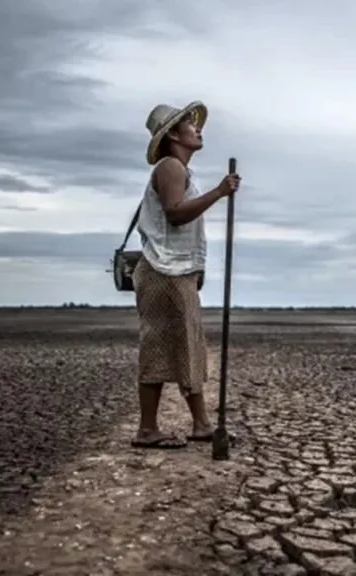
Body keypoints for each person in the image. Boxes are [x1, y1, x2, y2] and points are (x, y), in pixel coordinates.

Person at [130, 100, 241, 449]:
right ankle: (148, 429)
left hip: (176, 270)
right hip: (164, 270)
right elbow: (176, 214)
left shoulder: (179, 170)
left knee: (187, 346)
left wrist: (196, 269)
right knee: (161, 346)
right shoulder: (170, 167)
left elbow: (180, 227)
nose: (198, 128)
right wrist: (220, 193)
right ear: (175, 134)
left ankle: (201, 423)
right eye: (190, 125)